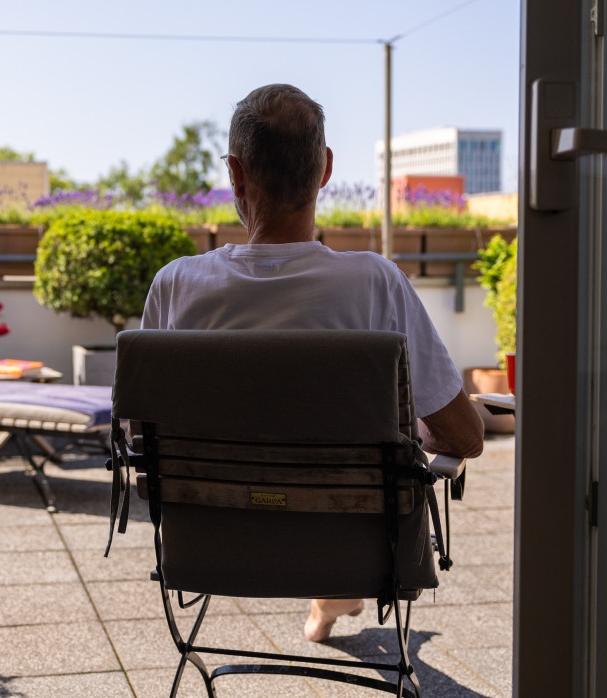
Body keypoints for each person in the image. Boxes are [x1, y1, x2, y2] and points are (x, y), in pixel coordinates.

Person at [140, 83, 485, 643]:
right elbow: (464, 439)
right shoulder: (376, 284)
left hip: (214, 544)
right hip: (352, 542)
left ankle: (328, 600)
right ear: (325, 169)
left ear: (236, 173)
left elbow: (143, 434)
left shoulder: (176, 286)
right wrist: (427, 429)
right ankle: (333, 593)